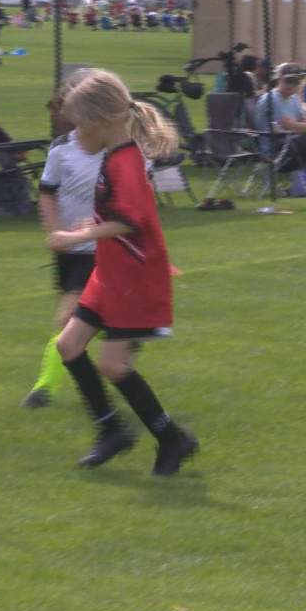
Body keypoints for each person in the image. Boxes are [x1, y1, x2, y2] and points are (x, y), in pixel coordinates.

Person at [45, 69, 199, 477]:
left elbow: (131, 221)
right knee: (68, 346)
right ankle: (111, 431)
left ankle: (172, 438)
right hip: (110, 271)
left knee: (113, 366)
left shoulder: (126, 162)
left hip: (132, 277)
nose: (75, 135)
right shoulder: (115, 156)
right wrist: (88, 231)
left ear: (100, 122)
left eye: (78, 125)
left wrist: (75, 236)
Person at [21, 71, 100, 409]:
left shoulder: (117, 150)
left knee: (67, 319)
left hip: (103, 247)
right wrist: (54, 232)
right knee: (80, 321)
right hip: (71, 249)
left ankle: (45, 388)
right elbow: (47, 194)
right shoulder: (61, 151)